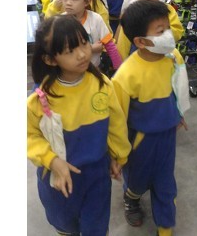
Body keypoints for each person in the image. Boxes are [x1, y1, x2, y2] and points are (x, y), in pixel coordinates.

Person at [27, 15, 131, 236]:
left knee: (96, 227)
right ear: (50, 60)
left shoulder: (102, 85)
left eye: (84, 43)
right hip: (59, 178)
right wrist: (51, 160)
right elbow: (29, 136)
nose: (83, 54)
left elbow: (116, 125)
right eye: (70, 51)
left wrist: (118, 155)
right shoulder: (41, 98)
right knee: (66, 225)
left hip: (96, 175)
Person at [112, 0, 188, 236]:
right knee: (138, 180)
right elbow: (118, 118)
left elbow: (178, 86)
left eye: (168, 28)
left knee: (165, 184)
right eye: (160, 31)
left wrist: (179, 113)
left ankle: (165, 227)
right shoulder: (126, 76)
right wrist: (118, 154)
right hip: (140, 141)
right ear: (140, 42)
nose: (168, 35)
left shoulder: (173, 57)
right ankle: (131, 197)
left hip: (167, 136)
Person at [115, 0, 184, 59]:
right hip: (135, 60)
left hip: (161, 59)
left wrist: (157, 33)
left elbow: (178, 32)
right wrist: (120, 62)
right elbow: (123, 41)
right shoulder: (132, 12)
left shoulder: (167, 11)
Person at [61, 0, 122, 70]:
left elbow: (110, 46)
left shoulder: (96, 19)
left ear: (87, 2)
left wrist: (118, 69)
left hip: (94, 69)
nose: (68, 3)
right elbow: (60, 50)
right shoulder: (60, 22)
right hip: (69, 71)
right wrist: (90, 48)